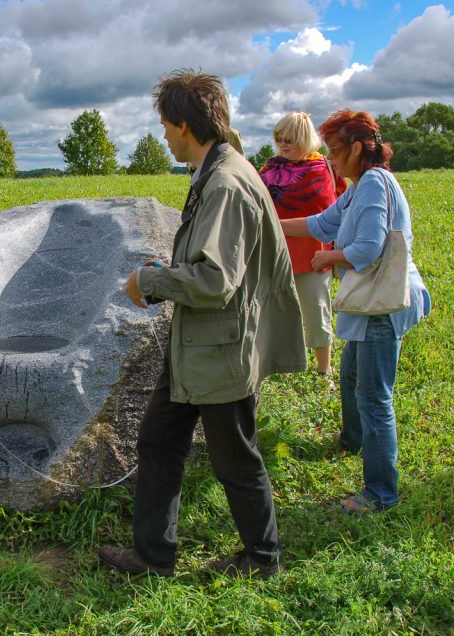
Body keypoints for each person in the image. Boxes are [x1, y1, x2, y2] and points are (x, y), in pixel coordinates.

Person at [99, 69, 306, 579]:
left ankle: (263, 559)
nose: (164, 135)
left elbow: (215, 281)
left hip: (221, 350)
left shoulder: (227, 182)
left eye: (166, 125)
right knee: (158, 440)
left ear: (185, 126)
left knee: (235, 459)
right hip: (197, 346)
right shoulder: (215, 170)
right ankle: (152, 555)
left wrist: (150, 281)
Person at [280, 110, 430, 513]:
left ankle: (381, 493)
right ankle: (351, 441)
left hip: (383, 304)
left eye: (334, 150)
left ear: (360, 147)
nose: (329, 158)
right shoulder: (360, 185)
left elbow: (367, 249)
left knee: (374, 397)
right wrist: (271, 224)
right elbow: (322, 222)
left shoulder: (374, 184)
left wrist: (328, 259)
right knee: (350, 378)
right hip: (371, 303)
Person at [261, 113, 346, 382]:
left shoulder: (326, 168)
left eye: (290, 139)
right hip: (274, 250)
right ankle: (276, 367)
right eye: (279, 139)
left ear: (306, 139)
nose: (283, 145)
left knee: (316, 310)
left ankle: (324, 371)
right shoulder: (269, 168)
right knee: (273, 311)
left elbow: (341, 207)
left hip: (313, 252)